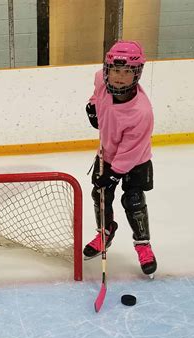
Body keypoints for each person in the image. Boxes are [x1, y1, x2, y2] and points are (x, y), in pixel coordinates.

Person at [83, 40, 157, 276]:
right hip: (107, 153)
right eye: (115, 70)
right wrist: (93, 106)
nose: (119, 77)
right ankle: (105, 233)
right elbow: (96, 94)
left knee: (133, 201)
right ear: (107, 69)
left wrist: (115, 174)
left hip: (135, 160)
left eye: (127, 72)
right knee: (100, 195)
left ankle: (143, 245)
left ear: (137, 73)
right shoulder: (100, 80)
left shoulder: (141, 112)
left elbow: (131, 150)